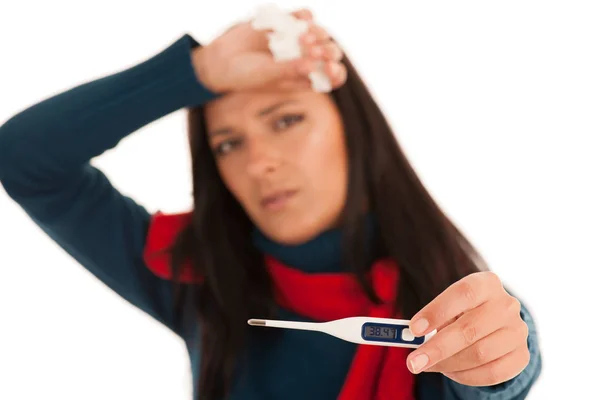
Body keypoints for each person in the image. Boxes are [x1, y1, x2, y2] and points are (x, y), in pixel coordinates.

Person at [0, 8, 541, 400]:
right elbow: (24, 159)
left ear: (353, 130)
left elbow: (500, 354)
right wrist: (197, 72)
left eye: (286, 120)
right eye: (229, 144)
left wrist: (501, 361)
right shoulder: (191, 273)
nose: (259, 163)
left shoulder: (448, 305)